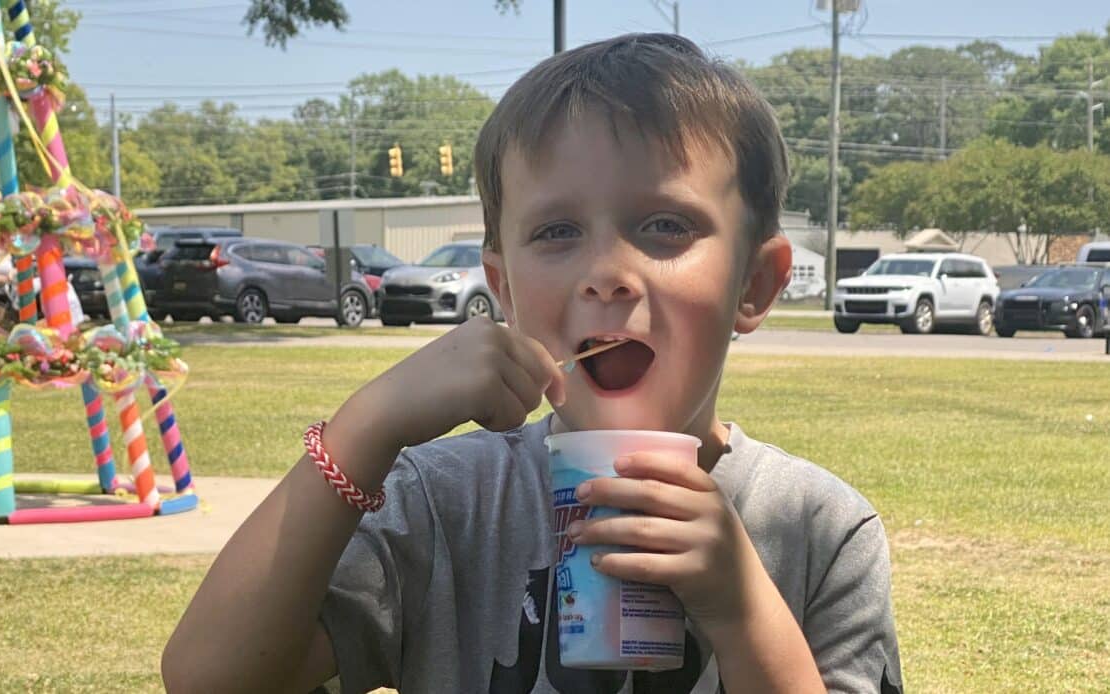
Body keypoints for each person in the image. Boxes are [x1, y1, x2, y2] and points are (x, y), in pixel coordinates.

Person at [162, 34, 903, 694]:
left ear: (756, 283)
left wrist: (743, 612)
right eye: (557, 231)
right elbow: (209, 678)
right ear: (505, 289)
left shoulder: (818, 529)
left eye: (665, 225)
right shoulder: (445, 505)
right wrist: (366, 426)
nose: (606, 274)